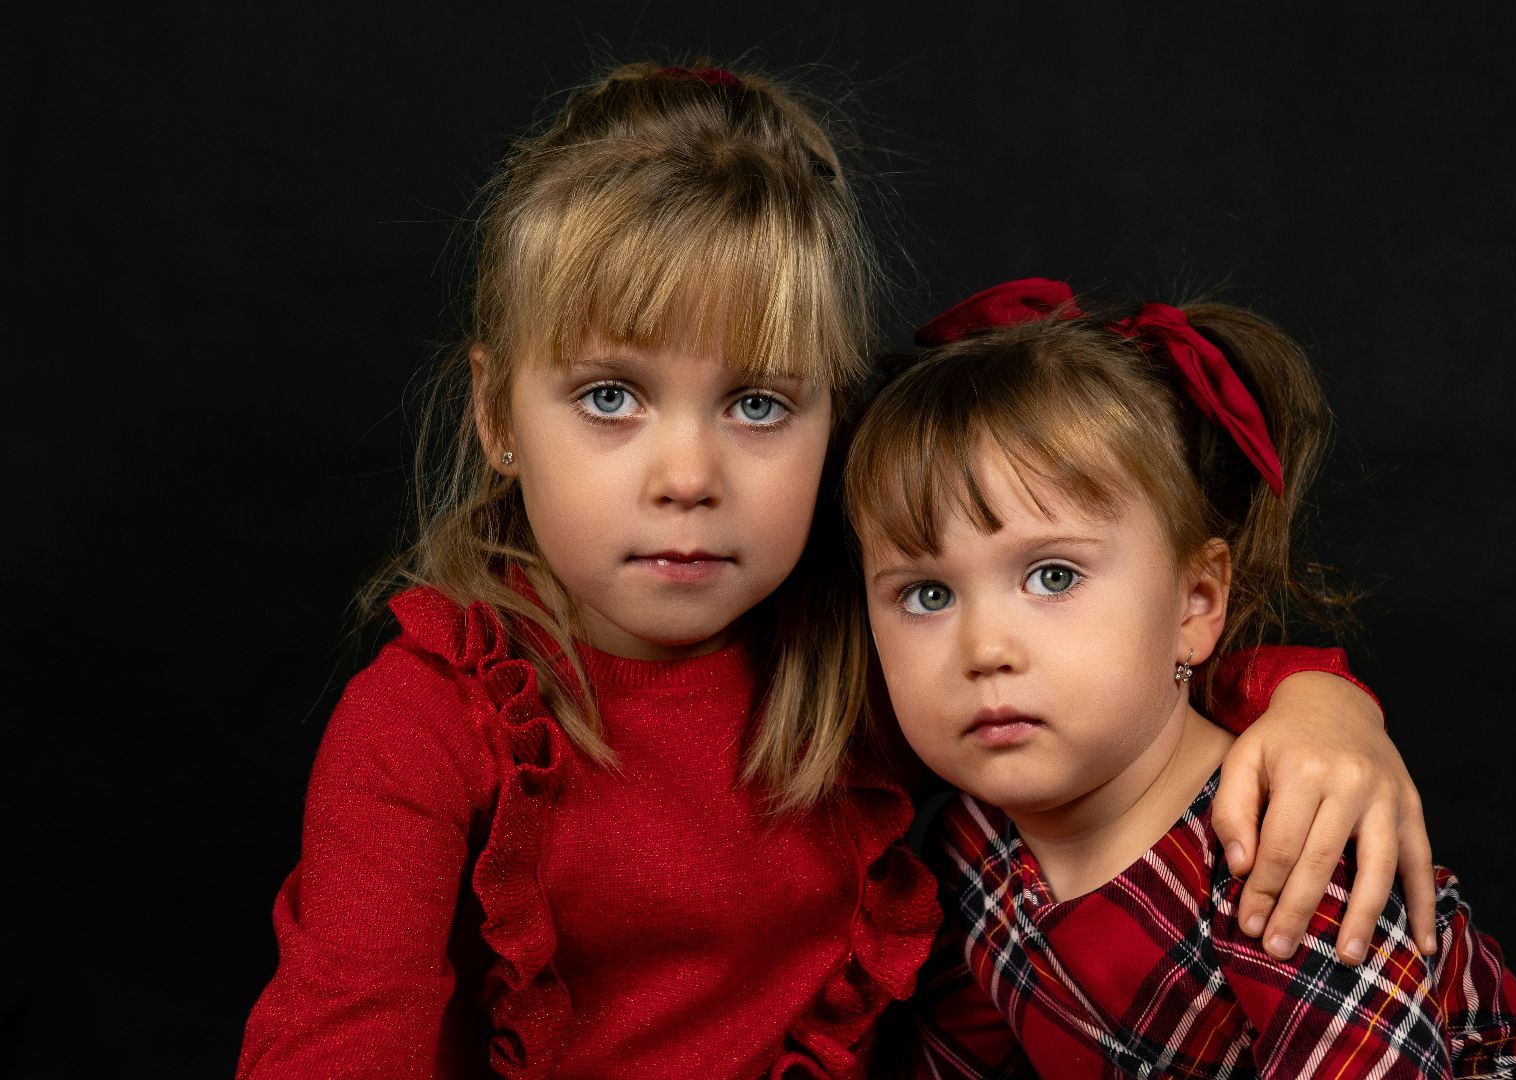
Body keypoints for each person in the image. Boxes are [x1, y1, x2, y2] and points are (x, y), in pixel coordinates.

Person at [238, 65, 1425, 1079]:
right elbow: (343, 1039)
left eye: (758, 403)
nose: (688, 475)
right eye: (612, 397)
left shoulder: (868, 633)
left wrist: (1321, 702)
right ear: (498, 414)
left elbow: (1100, 675)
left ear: (833, 423)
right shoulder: (430, 717)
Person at [846, 279, 1516, 1078]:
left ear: (1195, 602)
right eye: (927, 595)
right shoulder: (972, 843)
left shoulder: (1276, 857)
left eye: (1052, 577)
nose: (985, 649)